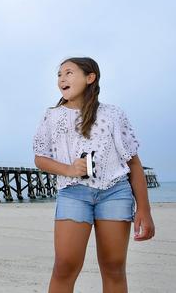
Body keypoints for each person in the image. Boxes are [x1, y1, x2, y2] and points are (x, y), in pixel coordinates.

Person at [33, 57, 155, 292]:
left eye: (68, 73)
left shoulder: (113, 115)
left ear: (90, 78)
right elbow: (40, 158)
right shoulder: (52, 116)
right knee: (64, 266)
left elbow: (134, 163)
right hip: (73, 193)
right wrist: (68, 169)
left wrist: (144, 210)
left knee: (113, 267)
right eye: (59, 75)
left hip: (115, 192)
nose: (61, 79)